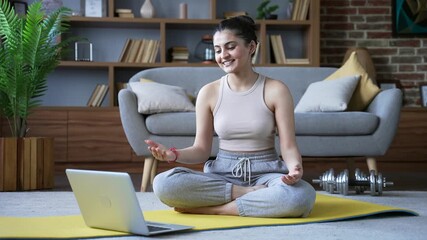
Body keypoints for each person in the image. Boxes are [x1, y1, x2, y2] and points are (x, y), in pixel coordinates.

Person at [145, 15, 316, 218]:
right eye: (218, 50)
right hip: (222, 174)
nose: (223, 55)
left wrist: (295, 167)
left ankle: (216, 210)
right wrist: (173, 155)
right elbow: (201, 150)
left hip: (267, 173)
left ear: (251, 47)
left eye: (230, 47)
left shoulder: (276, 90)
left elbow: (288, 146)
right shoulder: (209, 92)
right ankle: (245, 196)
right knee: (164, 184)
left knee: (301, 196)